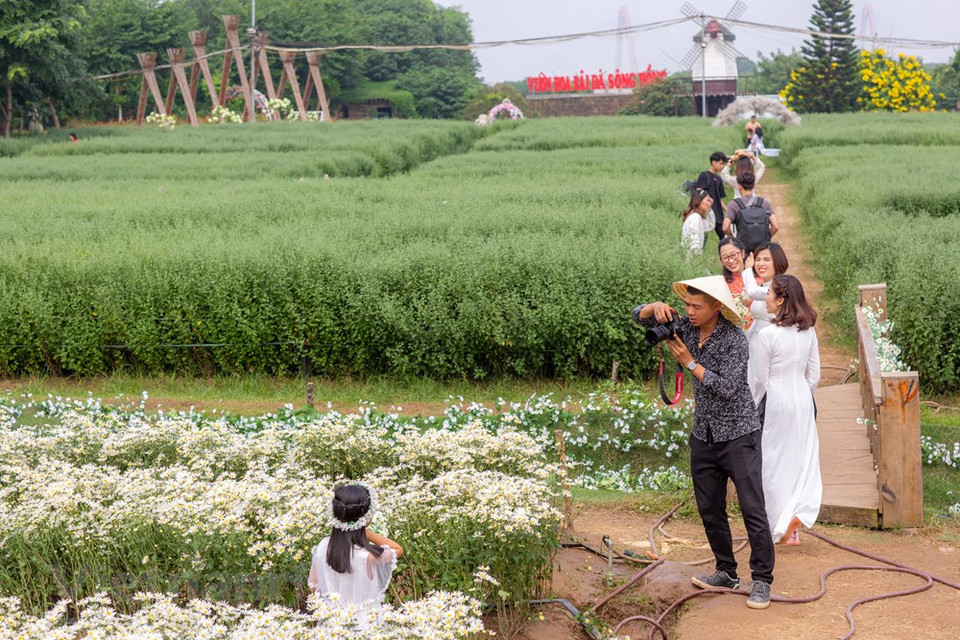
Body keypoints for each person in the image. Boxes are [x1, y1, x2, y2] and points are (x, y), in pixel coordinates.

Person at [633, 276, 774, 610]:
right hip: (705, 434)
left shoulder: (735, 340)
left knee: (752, 508)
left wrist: (689, 363)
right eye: (686, 305)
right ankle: (726, 570)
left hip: (739, 433)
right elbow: (637, 315)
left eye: (697, 307)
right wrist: (655, 309)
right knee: (709, 507)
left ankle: (762, 581)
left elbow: (726, 388)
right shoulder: (687, 327)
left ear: (717, 308)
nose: (689, 312)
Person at [751, 275, 822, 546]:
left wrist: (753, 405)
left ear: (780, 300)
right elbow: (814, 375)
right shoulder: (808, 331)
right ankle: (794, 515)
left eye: (768, 293)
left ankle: (773, 525)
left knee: (772, 459)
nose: (765, 297)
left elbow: (759, 380)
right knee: (800, 456)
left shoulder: (768, 335)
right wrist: (803, 395)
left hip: (777, 399)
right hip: (802, 398)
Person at [308, 482, 404, 630]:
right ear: (367, 518)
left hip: (333, 624)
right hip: (366, 625)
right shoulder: (368, 556)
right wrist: (368, 534)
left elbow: (313, 587)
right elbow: (397, 549)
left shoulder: (322, 546)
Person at [742, 242, 790, 396]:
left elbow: (752, 291)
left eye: (766, 260)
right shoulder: (764, 286)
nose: (760, 264)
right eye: (757, 259)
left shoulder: (780, 287)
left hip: (770, 346)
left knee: (764, 388)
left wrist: (747, 269)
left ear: (778, 261)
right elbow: (757, 319)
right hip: (755, 346)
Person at [722, 171, 779, 257]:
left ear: (739, 187)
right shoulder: (764, 203)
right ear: (754, 186)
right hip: (762, 248)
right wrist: (766, 238)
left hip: (744, 249)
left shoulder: (734, 204)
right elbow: (776, 226)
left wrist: (735, 239)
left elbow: (725, 227)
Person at [718, 237, 760, 332]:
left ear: (742, 253)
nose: (731, 260)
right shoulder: (720, 283)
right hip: (731, 335)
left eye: (734, 255)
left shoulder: (758, 279)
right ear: (721, 260)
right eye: (725, 257)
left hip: (757, 333)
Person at [694, 151, 727, 240]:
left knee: (723, 236)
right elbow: (699, 194)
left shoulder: (719, 179)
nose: (722, 166)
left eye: (723, 164)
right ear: (713, 162)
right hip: (706, 212)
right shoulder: (704, 176)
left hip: (718, 213)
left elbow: (719, 199)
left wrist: (728, 210)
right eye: (720, 163)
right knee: (703, 236)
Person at [682, 188, 713, 259]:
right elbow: (694, 241)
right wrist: (699, 258)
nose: (710, 203)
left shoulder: (697, 216)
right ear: (699, 202)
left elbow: (710, 226)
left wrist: (710, 209)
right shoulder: (695, 218)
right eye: (707, 200)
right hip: (691, 258)